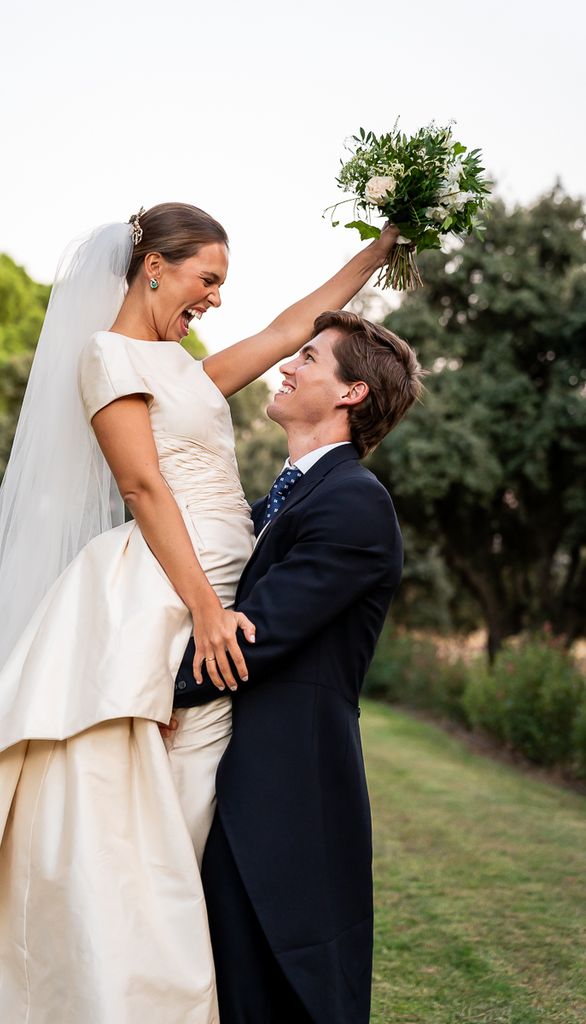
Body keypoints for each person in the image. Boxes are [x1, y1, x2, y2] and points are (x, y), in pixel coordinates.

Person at [0, 205, 399, 1022]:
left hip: (227, 564)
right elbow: (142, 488)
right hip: (173, 582)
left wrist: (375, 253)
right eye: (207, 279)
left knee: (191, 791)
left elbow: (288, 327)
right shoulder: (105, 358)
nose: (213, 300)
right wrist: (207, 609)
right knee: (148, 791)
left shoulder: (187, 370)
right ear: (154, 267)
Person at [173, 310, 424, 1023]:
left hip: (289, 797)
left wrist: (144, 695)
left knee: (286, 992)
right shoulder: (280, 501)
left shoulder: (354, 505)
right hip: (235, 778)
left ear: (351, 394)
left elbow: (252, 641)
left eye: (308, 358)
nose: (287, 366)